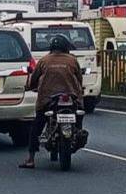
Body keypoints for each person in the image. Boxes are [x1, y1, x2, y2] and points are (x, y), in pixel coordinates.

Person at [19, 34, 83, 169]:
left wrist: (30, 86)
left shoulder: (43, 61)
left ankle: (31, 159)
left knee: (36, 128)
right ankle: (78, 132)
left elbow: (33, 81)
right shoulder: (73, 60)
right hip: (72, 98)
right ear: (66, 47)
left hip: (48, 100)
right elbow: (79, 79)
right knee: (79, 119)